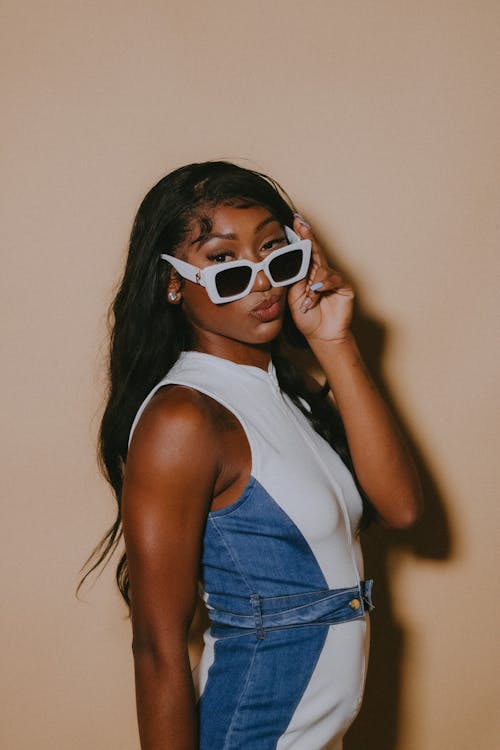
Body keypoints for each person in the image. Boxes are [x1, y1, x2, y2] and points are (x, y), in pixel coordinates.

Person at [80, 160, 422, 750]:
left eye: (273, 250)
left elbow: (401, 507)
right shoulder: (184, 419)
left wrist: (334, 342)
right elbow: (158, 645)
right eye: (223, 262)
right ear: (172, 281)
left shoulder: (283, 399)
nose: (260, 279)